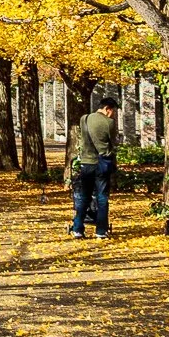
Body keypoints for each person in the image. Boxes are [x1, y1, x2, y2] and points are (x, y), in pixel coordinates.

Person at [68, 92, 118, 240]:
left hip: (87, 163)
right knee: (102, 198)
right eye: (113, 111)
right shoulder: (109, 123)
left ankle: (78, 229)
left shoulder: (84, 119)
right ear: (107, 109)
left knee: (84, 197)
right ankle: (101, 231)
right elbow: (112, 142)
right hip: (102, 163)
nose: (113, 115)